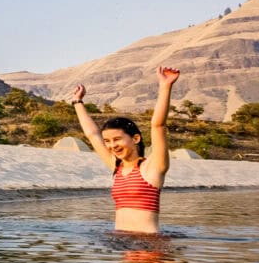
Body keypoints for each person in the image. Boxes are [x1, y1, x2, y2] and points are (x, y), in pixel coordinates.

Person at [71, 66, 181, 234]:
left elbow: (158, 125)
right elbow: (92, 135)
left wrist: (165, 86)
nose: (112, 146)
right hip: (121, 242)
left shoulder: (153, 168)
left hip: (148, 244)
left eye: (117, 139)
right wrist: (77, 102)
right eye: (107, 141)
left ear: (135, 139)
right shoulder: (116, 167)